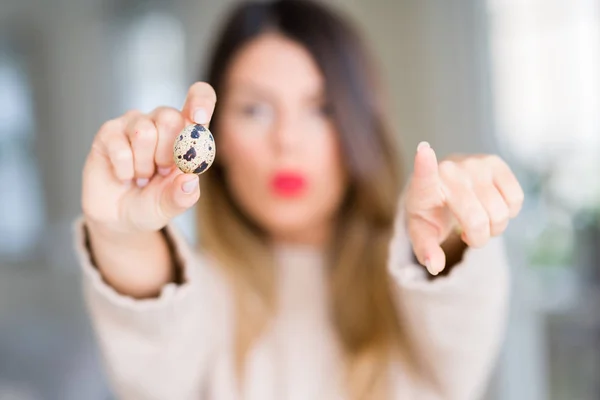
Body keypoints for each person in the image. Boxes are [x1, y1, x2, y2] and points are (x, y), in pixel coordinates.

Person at [75, 1, 523, 399]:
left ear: (357, 128)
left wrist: (450, 236)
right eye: (255, 110)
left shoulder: (410, 292)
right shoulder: (202, 305)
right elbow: (154, 365)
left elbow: (456, 316)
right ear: (219, 138)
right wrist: (122, 238)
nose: (286, 140)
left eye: (321, 109)